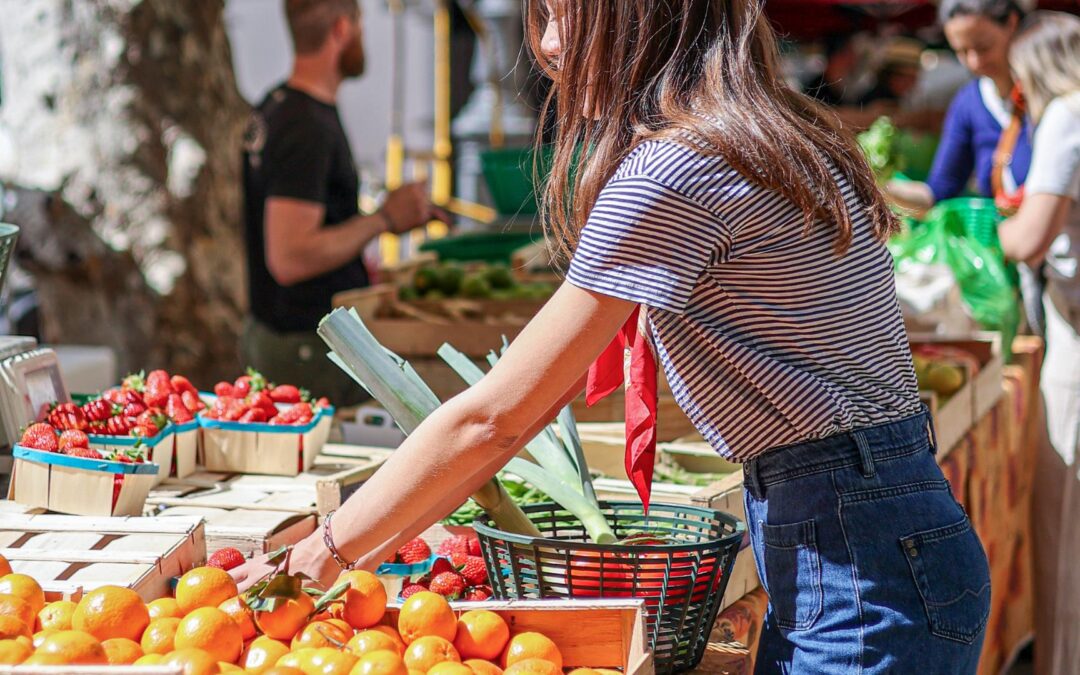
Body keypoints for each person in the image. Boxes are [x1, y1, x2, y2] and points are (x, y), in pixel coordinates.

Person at [233, 0, 990, 671]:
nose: (550, 46)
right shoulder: (778, 132)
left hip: (854, 550)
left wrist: (320, 552)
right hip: (880, 526)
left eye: (564, 13)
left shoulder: (675, 169)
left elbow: (491, 419)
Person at [242, 0, 446, 406]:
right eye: (361, 25)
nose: (363, 36)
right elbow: (289, 257)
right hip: (306, 347)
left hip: (292, 340)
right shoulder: (305, 128)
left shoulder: (278, 106)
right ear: (341, 29)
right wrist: (384, 218)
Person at [997, 12, 1080, 675]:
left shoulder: (1068, 113)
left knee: (1062, 520)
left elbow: (1027, 239)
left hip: (1075, 331)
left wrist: (977, 233)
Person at [886, 0, 1030, 214]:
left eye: (983, 47)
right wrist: (878, 185)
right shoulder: (968, 102)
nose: (974, 62)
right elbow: (938, 191)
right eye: (961, 51)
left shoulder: (1047, 94)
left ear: (1011, 23)